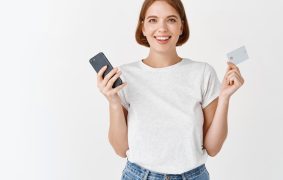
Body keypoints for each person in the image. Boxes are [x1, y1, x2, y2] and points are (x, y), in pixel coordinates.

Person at [96, 0, 244, 179]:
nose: (162, 28)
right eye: (153, 20)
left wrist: (225, 97)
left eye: (171, 20)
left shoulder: (203, 73)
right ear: (142, 27)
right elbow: (120, 149)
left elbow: (213, 148)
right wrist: (113, 103)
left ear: (181, 27)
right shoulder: (124, 75)